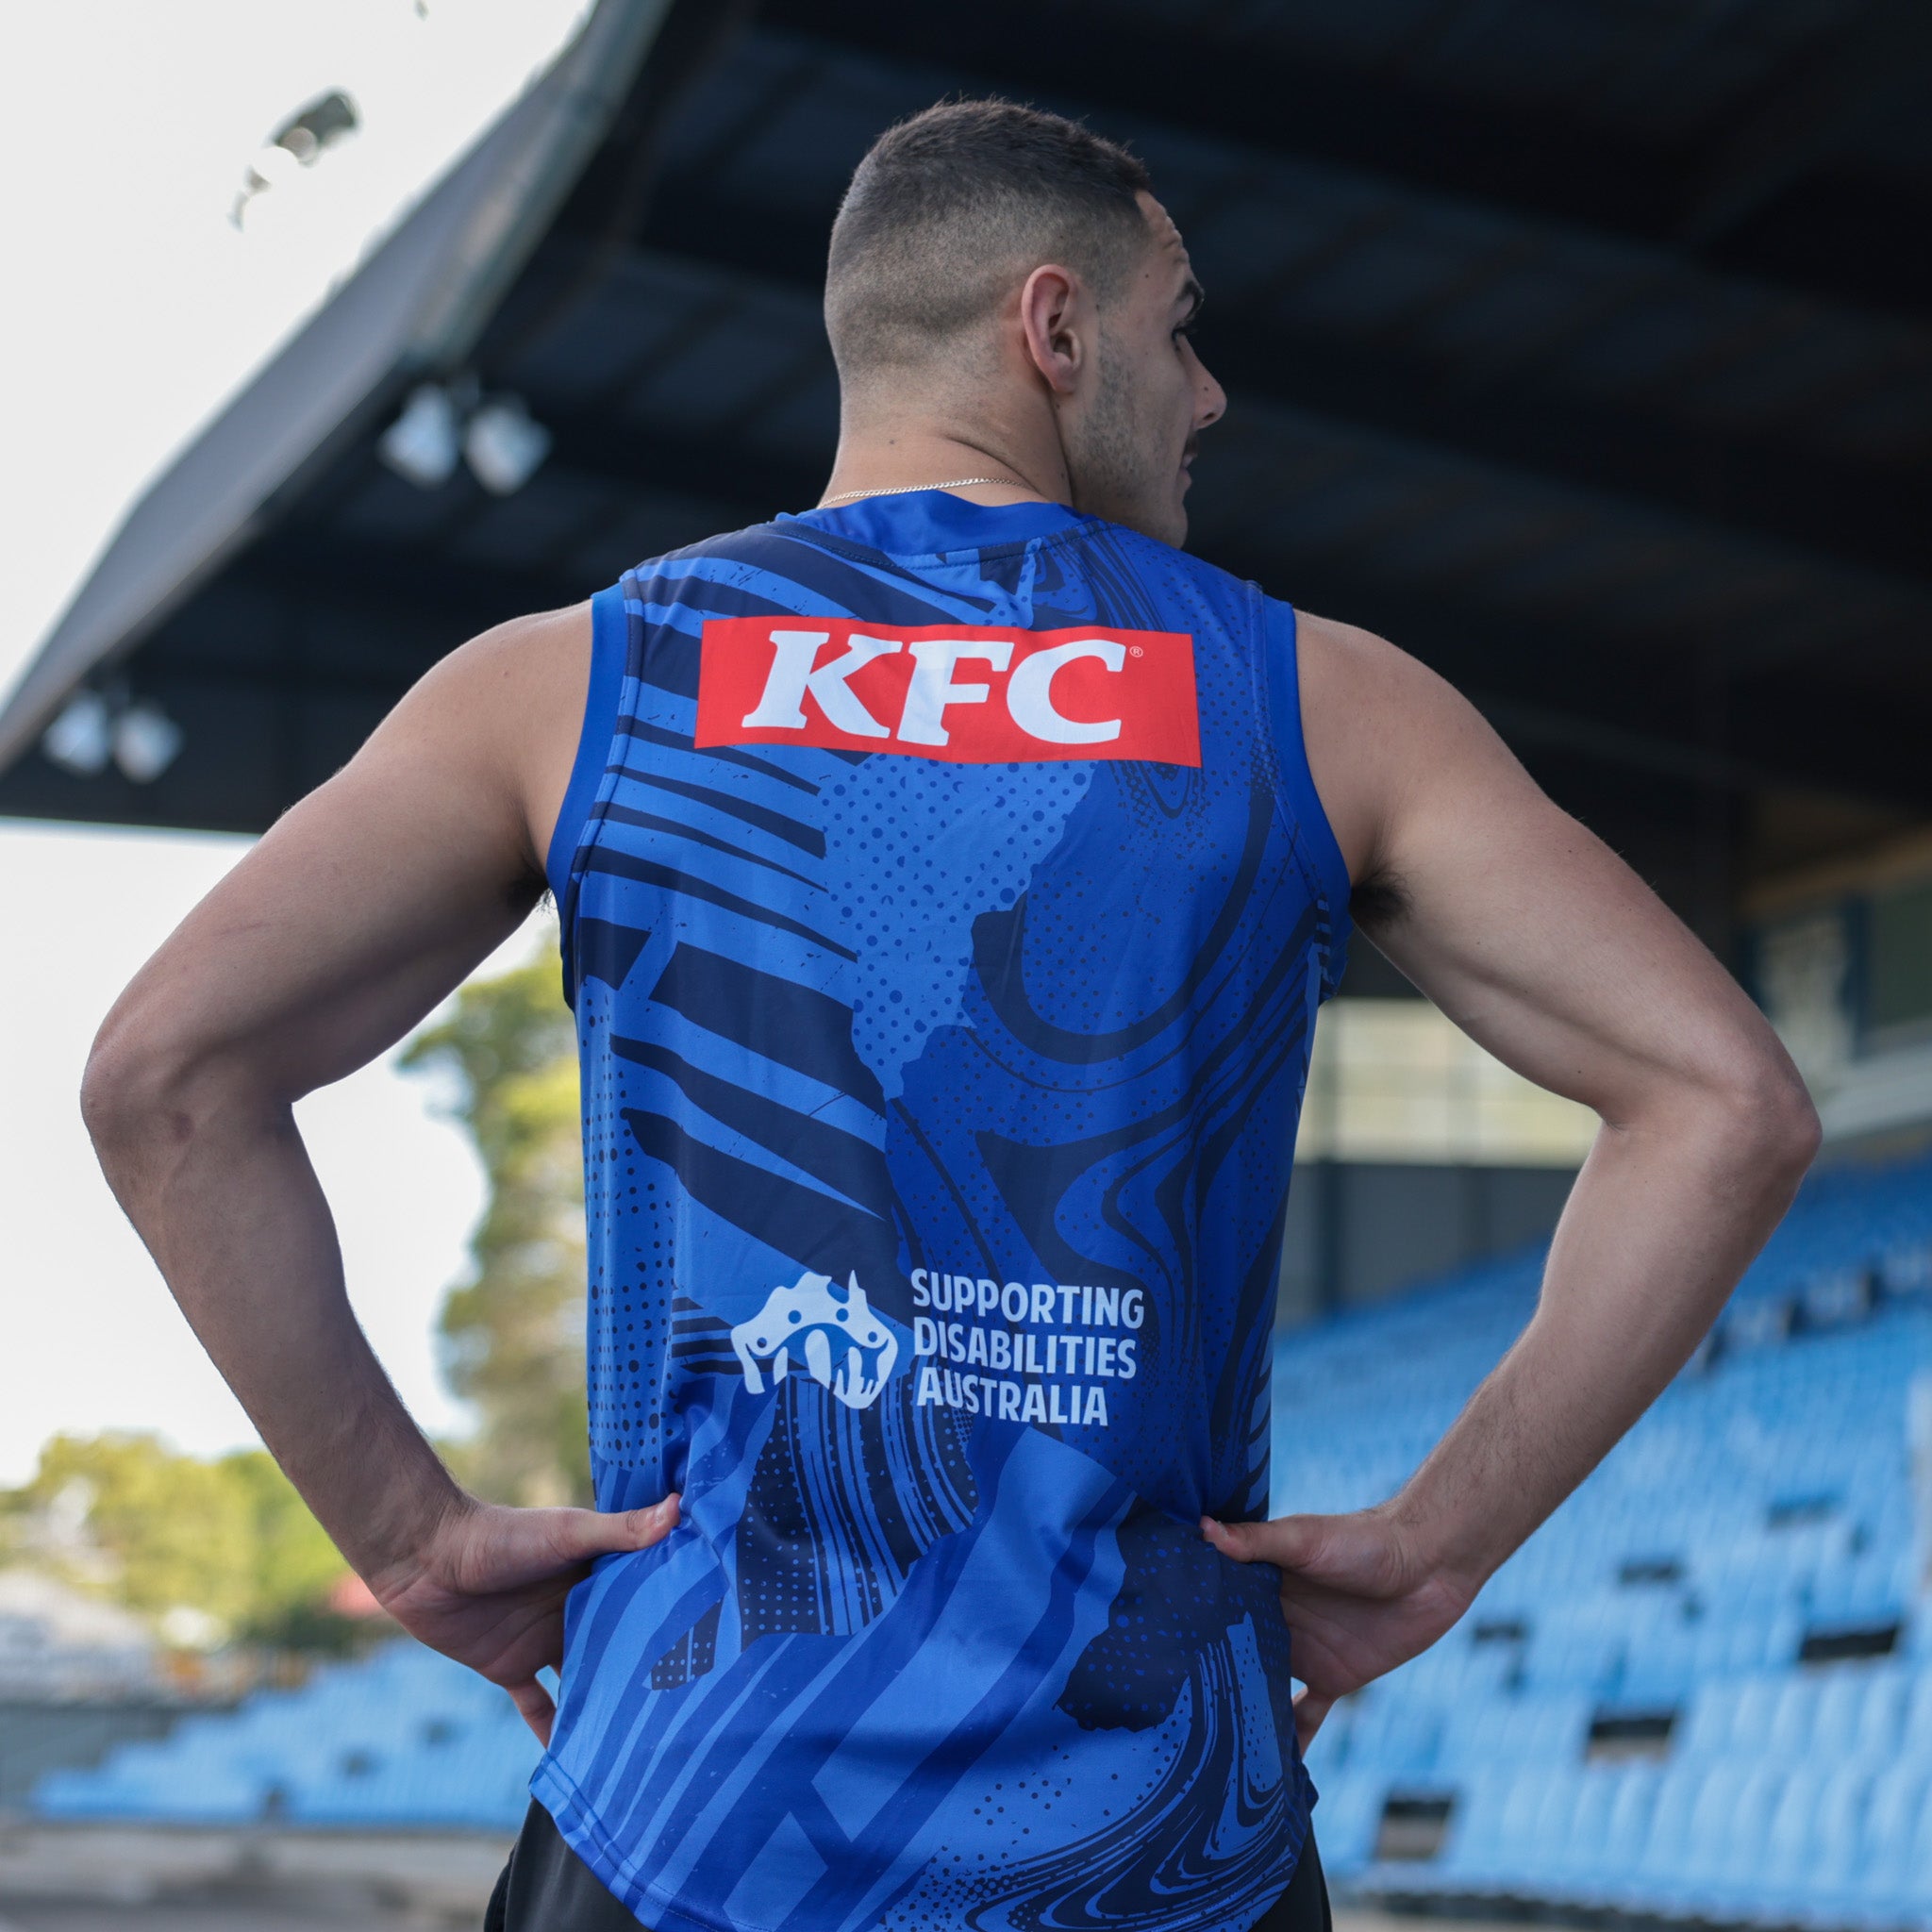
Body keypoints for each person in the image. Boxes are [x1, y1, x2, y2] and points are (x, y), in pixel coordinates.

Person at [82, 99, 1818, 1932]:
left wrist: (411, 1539)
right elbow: (1728, 1105)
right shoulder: (1316, 701)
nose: (1209, 393)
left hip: (689, 1812)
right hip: (1166, 1838)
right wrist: (1436, 1541)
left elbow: (167, 1079)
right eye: (1178, 326)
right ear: (1054, 331)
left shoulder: (584, 679)